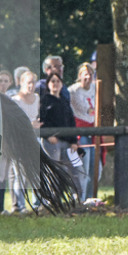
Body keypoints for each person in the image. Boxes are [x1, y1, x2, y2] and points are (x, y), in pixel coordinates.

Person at [38, 73, 86, 202]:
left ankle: (77, 199)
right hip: (52, 143)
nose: (55, 83)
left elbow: (71, 122)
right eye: (52, 81)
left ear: (62, 84)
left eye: (58, 81)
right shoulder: (45, 100)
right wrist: (48, 135)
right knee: (55, 172)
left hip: (68, 143)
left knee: (77, 170)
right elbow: (41, 121)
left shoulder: (65, 101)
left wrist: (74, 141)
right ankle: (53, 200)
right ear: (48, 84)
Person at [9, 70, 40, 212]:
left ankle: (37, 204)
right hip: (19, 142)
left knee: (37, 173)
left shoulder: (38, 98)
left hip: (34, 140)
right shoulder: (15, 101)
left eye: (33, 82)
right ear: (21, 83)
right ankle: (20, 206)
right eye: (28, 82)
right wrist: (29, 125)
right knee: (20, 175)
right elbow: (14, 123)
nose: (31, 85)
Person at [68, 63, 96, 200]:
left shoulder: (96, 88)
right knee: (83, 166)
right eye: (85, 74)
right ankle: (81, 198)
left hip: (94, 130)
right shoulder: (73, 91)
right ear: (80, 76)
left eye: (91, 74)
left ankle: (90, 197)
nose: (88, 77)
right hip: (80, 130)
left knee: (95, 167)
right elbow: (84, 108)